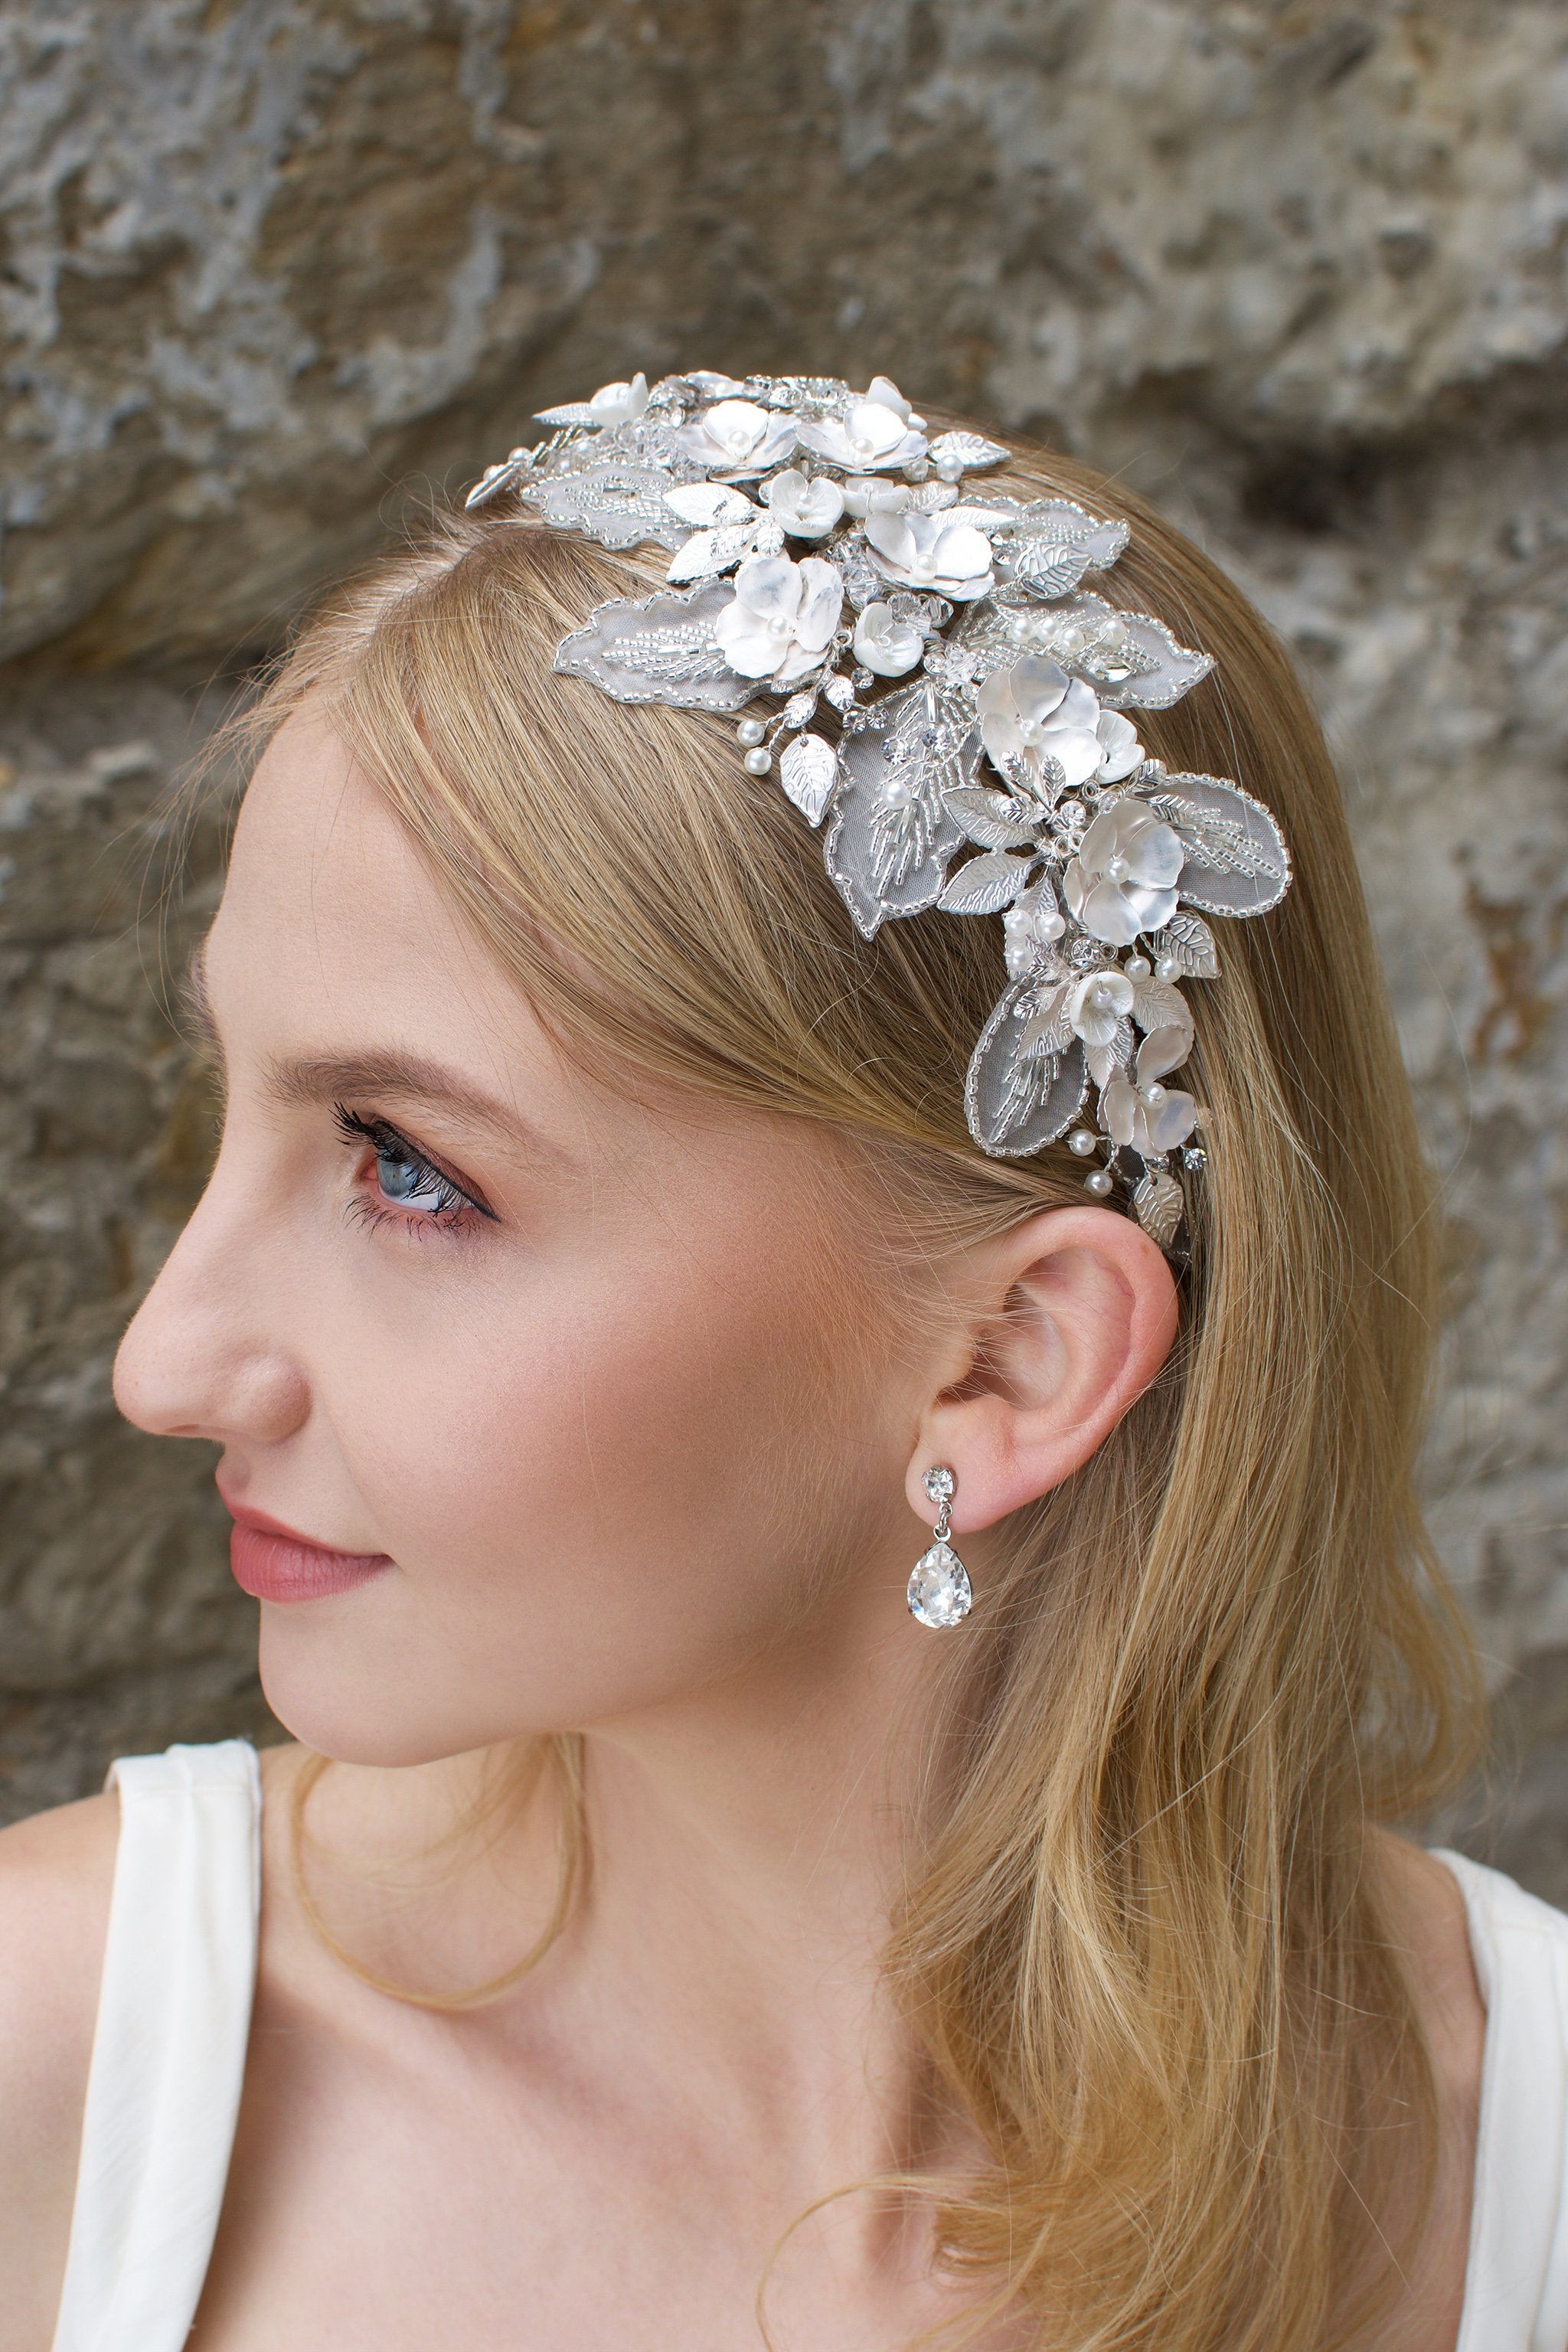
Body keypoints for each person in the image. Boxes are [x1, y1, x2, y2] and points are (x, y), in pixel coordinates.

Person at [2, 369, 1564, 2352]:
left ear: (1007, 1363)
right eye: (230, 1108)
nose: (165, 1362)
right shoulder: (69, 2082)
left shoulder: (1517, 2176)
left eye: (409, 1172)